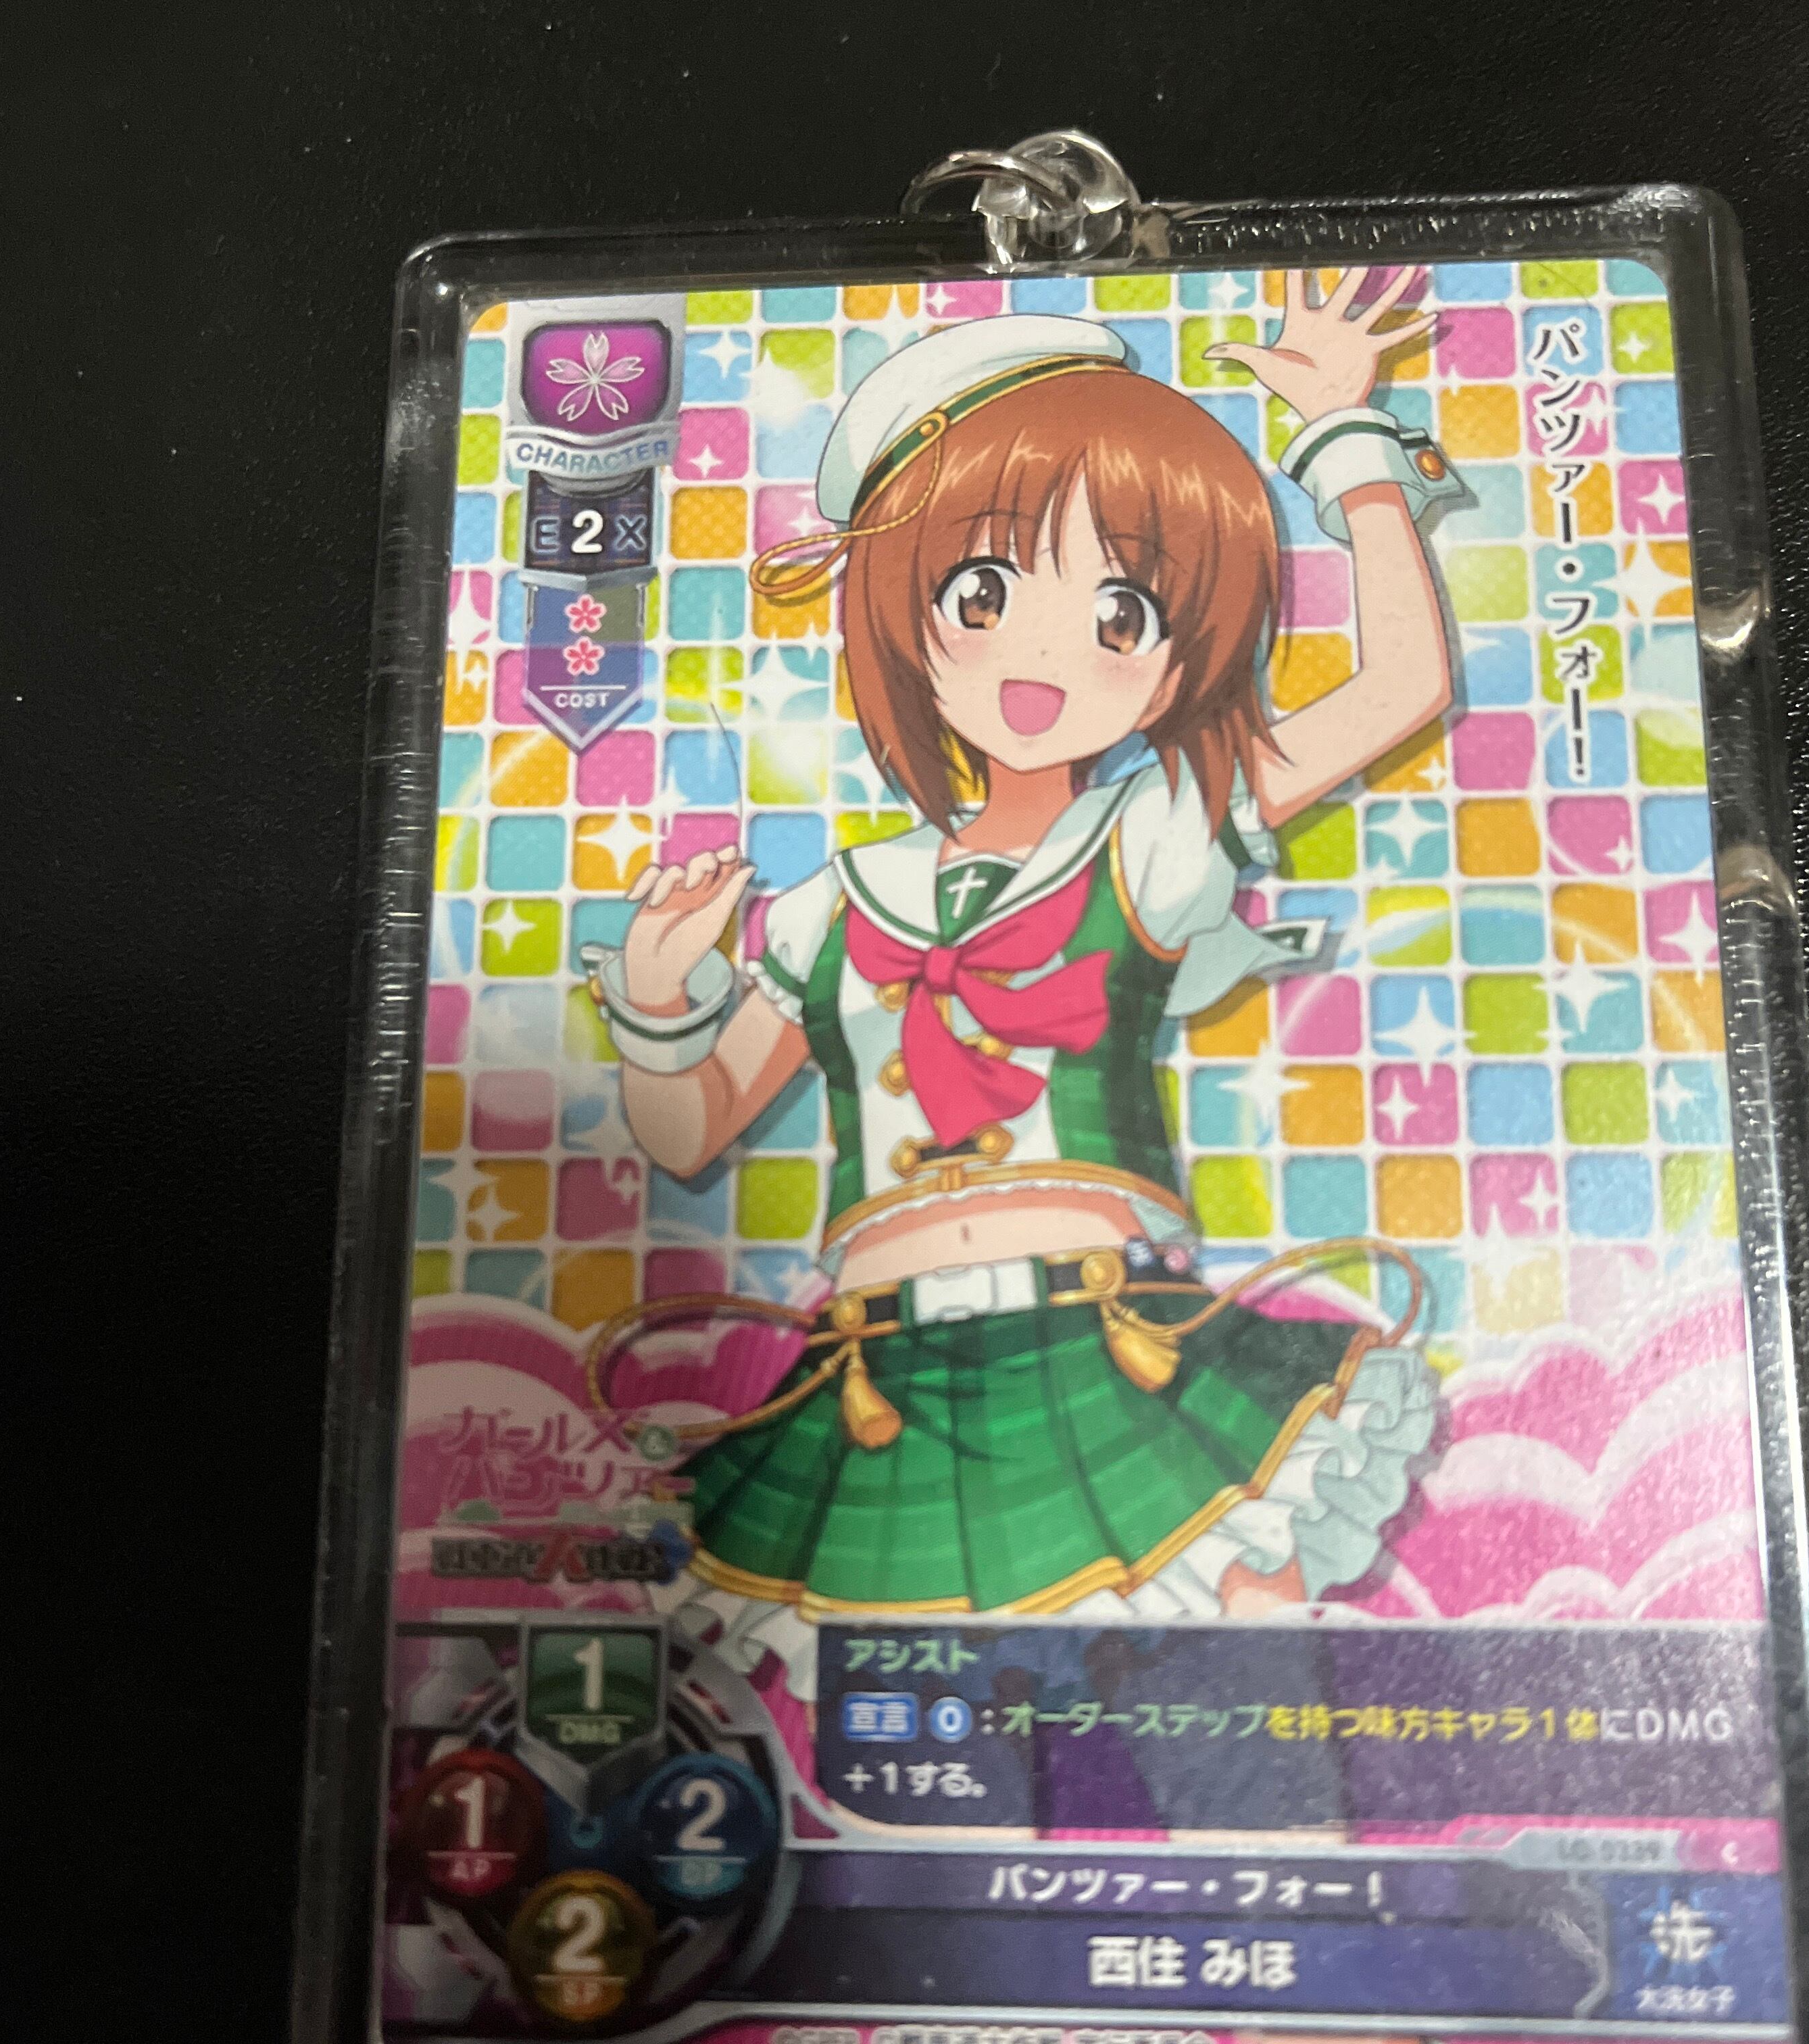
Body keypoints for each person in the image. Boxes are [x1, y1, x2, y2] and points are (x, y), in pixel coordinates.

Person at [589, 270, 1468, 1698]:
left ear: (1180, 654)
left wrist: (1350, 445)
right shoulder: (829, 906)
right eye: (985, 593)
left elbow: (1400, 689)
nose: (1048, 655)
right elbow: (689, 1132)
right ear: (902, 611)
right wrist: (651, 1001)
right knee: (911, 1750)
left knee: (1222, 1687)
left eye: (1123, 612)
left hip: (1107, 1337)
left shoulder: (1155, 832)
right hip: (874, 1381)